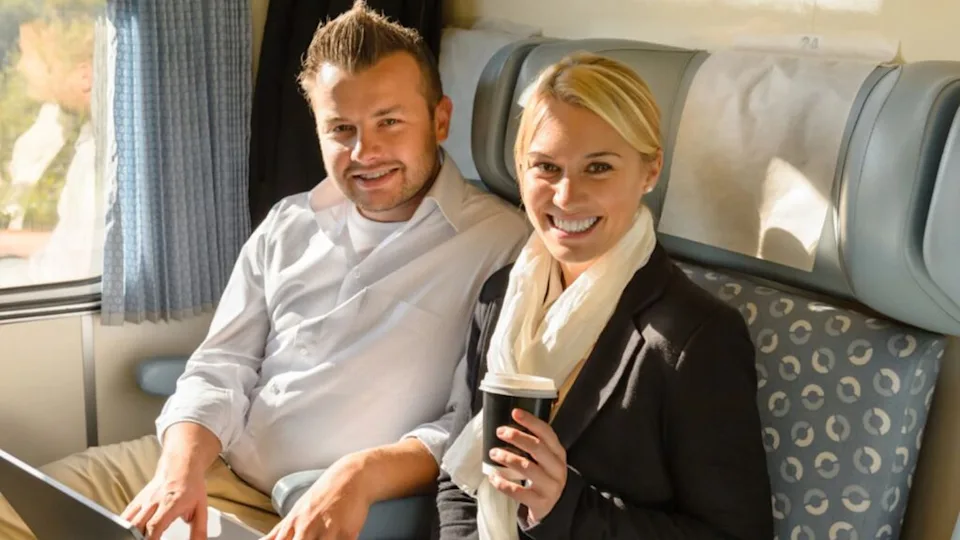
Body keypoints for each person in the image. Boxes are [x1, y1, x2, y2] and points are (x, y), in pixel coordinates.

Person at [0, 2, 529, 540]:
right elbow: (221, 364)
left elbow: (471, 424)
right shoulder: (289, 221)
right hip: (204, 461)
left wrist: (362, 473)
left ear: (440, 120)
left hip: (307, 506)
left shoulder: (503, 246)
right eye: (340, 128)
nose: (364, 151)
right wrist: (179, 468)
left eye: (389, 122)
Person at [436, 53, 773, 539]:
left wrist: (564, 508)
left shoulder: (695, 338)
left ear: (650, 171)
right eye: (546, 167)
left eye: (598, 167)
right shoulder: (500, 297)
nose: (566, 196)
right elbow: (458, 478)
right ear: (520, 170)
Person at [0, 16, 100, 287]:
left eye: (27, 54)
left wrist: (6, 242)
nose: (19, 66)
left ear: (84, 76)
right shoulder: (58, 119)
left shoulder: (95, 154)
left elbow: (71, 261)